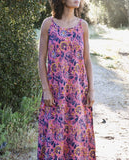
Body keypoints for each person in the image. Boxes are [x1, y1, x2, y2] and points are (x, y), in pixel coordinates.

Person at [37, 0, 96, 159]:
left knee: (77, 135)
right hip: (55, 93)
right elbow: (41, 59)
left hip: (78, 93)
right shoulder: (48, 24)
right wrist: (46, 90)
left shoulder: (82, 26)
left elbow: (87, 60)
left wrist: (91, 90)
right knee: (54, 134)